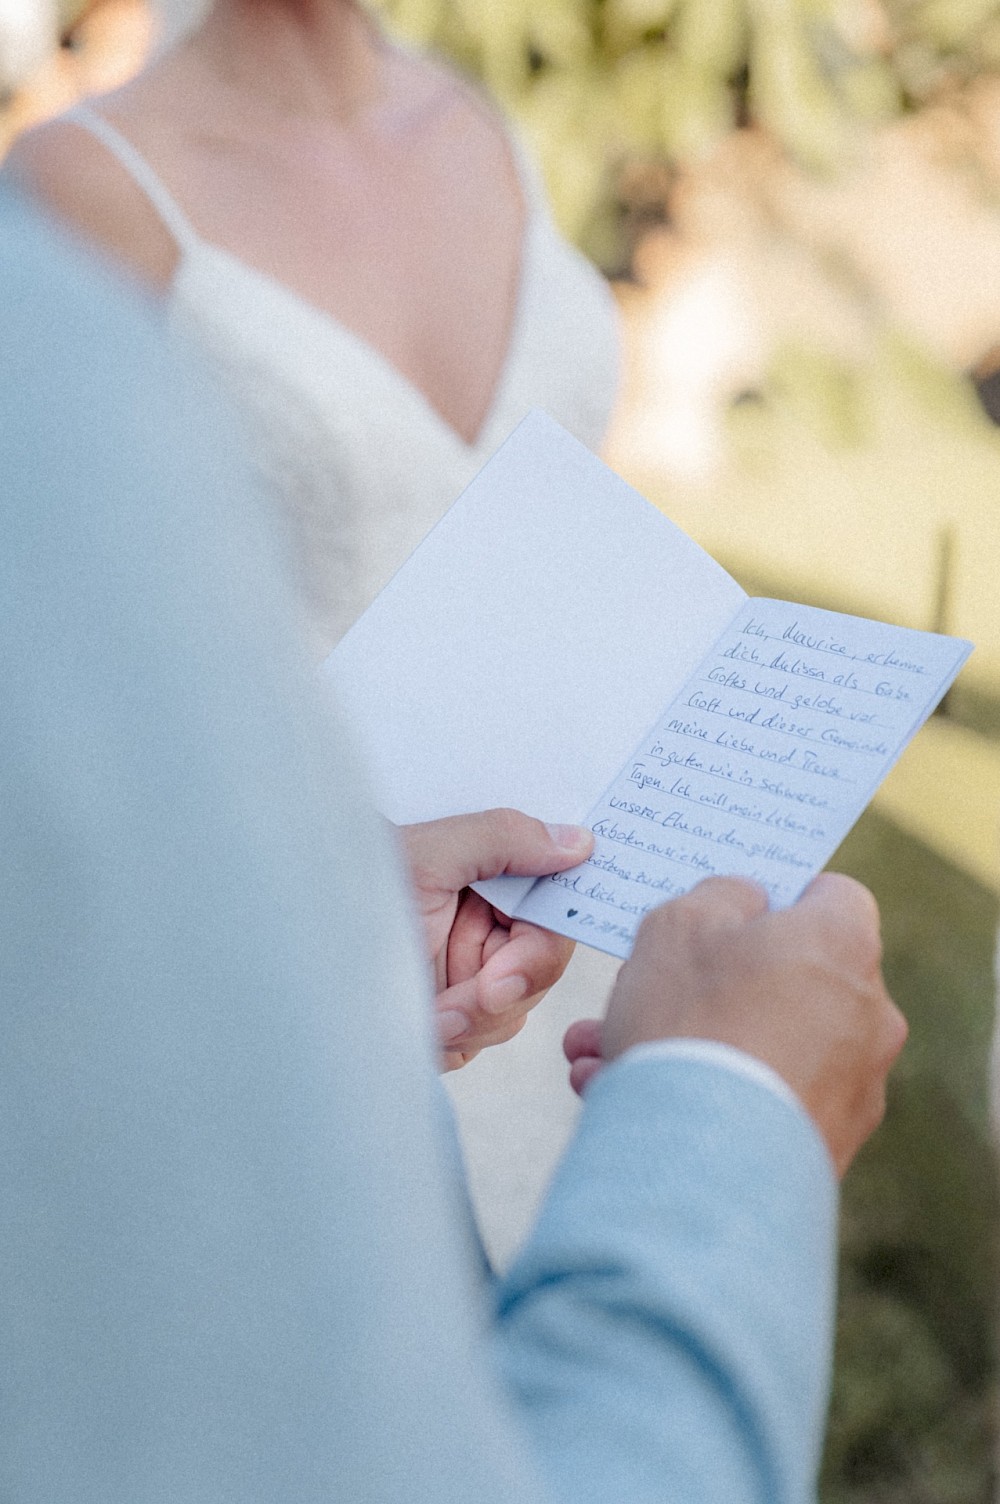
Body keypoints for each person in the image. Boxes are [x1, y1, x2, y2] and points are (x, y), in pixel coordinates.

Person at [2, 185, 906, 1501]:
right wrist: (734, 1104)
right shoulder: (45, 303)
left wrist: (328, 956)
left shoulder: (482, 146)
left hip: (443, 954)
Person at [4, 0, 621, 1260]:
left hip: (579, 929)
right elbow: (57, 701)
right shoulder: (78, 186)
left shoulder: (477, 117)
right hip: (316, 958)